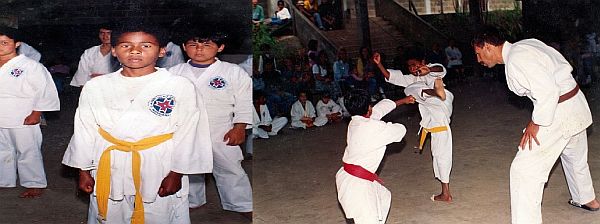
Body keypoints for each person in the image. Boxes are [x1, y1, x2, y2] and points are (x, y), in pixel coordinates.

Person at [61, 22, 213, 224]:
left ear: (161, 51)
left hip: (159, 164)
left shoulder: (179, 86)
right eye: (125, 45)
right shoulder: (96, 86)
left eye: (146, 46)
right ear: (114, 51)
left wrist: (176, 173)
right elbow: (84, 130)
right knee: (110, 214)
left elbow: (190, 132)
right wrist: (83, 170)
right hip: (110, 161)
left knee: (158, 213)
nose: (135, 51)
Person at [472, 26, 600, 224]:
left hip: (556, 110)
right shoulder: (526, 44)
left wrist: (535, 122)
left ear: (488, 46)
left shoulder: (516, 59)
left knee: (523, 170)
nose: (479, 60)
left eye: (479, 54)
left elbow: (548, 91)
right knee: (574, 155)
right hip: (575, 103)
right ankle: (586, 199)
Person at [168, 30, 253, 219]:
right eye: (193, 44)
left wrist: (240, 127)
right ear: (183, 47)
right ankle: (192, 200)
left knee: (229, 167)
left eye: (206, 45)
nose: (199, 49)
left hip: (221, 128)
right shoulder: (173, 73)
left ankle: (240, 203)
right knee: (187, 168)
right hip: (184, 131)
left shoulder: (232, 71)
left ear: (220, 47)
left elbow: (244, 100)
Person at [373, 49, 454, 202]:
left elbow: (441, 69)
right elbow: (390, 76)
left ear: (422, 62)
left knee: (441, 154)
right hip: (436, 113)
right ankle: (445, 192)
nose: (412, 68)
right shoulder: (410, 79)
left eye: (414, 64)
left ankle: (437, 91)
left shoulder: (431, 69)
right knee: (439, 153)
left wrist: (428, 69)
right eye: (409, 66)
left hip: (442, 102)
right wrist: (379, 64)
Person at [335, 89, 414, 224]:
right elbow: (400, 131)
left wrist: (403, 101)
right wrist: (385, 124)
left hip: (349, 178)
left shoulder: (356, 121)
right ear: (368, 109)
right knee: (367, 219)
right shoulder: (374, 127)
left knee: (383, 197)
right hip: (358, 185)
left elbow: (379, 109)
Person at [0, 26, 60, 198]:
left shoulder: (30, 66)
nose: (0, 46)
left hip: (23, 114)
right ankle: (4, 180)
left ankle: (34, 183)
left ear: (17, 44)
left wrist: (36, 113)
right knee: (2, 149)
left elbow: (43, 90)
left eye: (5, 43)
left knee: (27, 150)